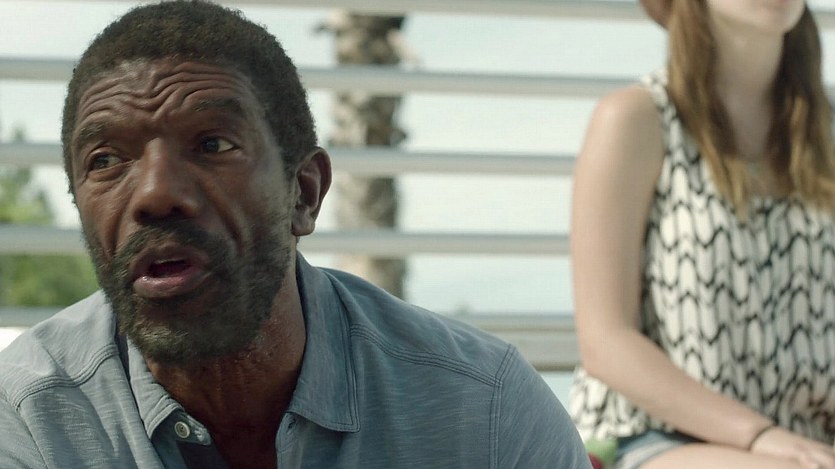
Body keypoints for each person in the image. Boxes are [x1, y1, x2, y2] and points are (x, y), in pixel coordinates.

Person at [0, 1, 592, 468]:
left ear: (304, 193)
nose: (155, 194)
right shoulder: (29, 418)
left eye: (213, 144)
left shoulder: (482, 412)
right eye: (105, 160)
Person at [569, 0, 835, 468]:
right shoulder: (636, 119)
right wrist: (759, 436)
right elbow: (606, 340)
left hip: (806, 443)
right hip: (650, 437)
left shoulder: (825, 133)